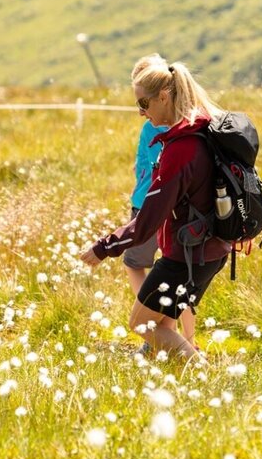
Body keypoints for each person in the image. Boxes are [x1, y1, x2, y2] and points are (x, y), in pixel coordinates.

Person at [78, 57, 230, 359]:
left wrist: (104, 247)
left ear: (163, 97)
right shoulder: (204, 130)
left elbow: (148, 218)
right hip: (212, 250)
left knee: (142, 324)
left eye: (143, 103)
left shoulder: (181, 148)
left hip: (185, 257)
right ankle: (189, 371)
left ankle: (203, 373)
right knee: (162, 324)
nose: (140, 112)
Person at [122, 56, 183, 351]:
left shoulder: (152, 128)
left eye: (143, 104)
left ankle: (152, 328)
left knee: (134, 263)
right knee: (176, 274)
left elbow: (146, 167)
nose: (141, 112)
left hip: (146, 206)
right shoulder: (187, 123)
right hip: (179, 211)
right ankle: (181, 336)